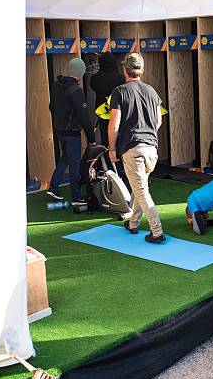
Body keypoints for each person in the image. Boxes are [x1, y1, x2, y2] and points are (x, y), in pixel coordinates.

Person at [108, 53, 165, 243]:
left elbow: (114, 124)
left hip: (133, 148)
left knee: (141, 191)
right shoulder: (151, 91)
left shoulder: (119, 91)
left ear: (124, 69)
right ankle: (133, 224)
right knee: (138, 187)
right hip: (152, 149)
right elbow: (158, 121)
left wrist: (112, 148)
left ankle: (157, 231)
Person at [47, 58, 96, 205]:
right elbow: (83, 115)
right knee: (74, 163)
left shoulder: (57, 84)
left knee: (65, 158)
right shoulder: (77, 91)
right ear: (81, 73)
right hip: (71, 132)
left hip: (59, 130)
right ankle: (77, 197)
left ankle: (54, 187)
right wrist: (91, 136)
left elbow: (51, 106)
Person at [90, 53, 125, 147]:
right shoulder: (121, 78)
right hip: (118, 111)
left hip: (102, 112)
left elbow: (93, 87)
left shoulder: (94, 79)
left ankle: (107, 158)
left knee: (105, 138)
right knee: (118, 136)